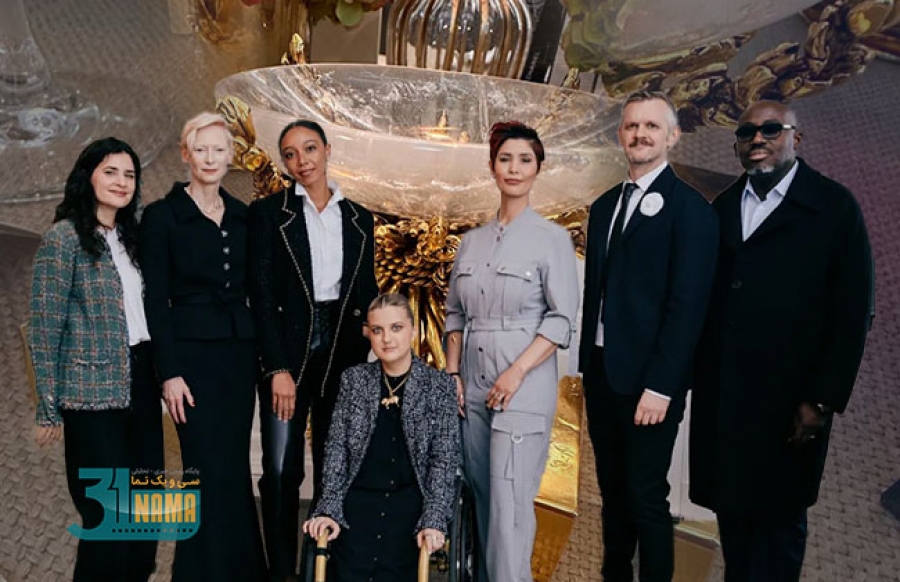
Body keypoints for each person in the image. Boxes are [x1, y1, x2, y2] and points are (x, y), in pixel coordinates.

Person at [690, 100, 873, 582]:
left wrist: (821, 400)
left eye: (772, 129)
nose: (758, 138)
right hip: (728, 397)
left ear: (796, 139)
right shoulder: (724, 206)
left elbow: (853, 313)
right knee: (733, 521)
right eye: (746, 132)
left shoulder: (834, 208)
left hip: (790, 404)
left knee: (777, 531)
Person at [578, 90, 719, 582]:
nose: (640, 134)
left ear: (673, 136)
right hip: (603, 372)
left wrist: (662, 385)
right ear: (621, 135)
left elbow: (688, 307)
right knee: (612, 491)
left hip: (650, 384)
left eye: (652, 126)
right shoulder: (604, 206)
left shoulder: (691, 210)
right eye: (632, 126)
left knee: (645, 496)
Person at [444, 121, 580, 582]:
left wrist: (516, 372)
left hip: (521, 384)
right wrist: (452, 374)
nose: (514, 168)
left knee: (510, 507)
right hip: (472, 384)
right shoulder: (471, 242)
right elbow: (455, 315)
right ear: (492, 167)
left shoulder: (552, 239)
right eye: (505, 159)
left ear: (538, 168)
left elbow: (561, 321)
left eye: (525, 160)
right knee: (483, 498)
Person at [247, 119, 379, 581]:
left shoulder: (359, 218)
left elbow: (366, 291)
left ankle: (322, 566)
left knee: (333, 466)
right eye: (290, 154)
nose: (301, 161)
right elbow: (261, 295)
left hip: (342, 353)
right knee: (281, 469)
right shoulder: (270, 214)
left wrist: (374, 353)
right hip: (289, 350)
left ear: (327, 150)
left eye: (309, 149)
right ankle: (281, 571)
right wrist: (276, 367)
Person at [28, 137, 164, 581]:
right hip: (90, 395)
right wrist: (48, 406)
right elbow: (44, 327)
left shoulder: (134, 238)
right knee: (108, 518)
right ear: (87, 177)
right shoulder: (64, 239)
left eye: (130, 175)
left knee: (146, 512)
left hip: (142, 383)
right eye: (111, 172)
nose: (122, 182)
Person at [139, 112, 266, 581]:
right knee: (203, 466)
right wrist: (168, 372)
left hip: (237, 357)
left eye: (219, 149)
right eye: (201, 149)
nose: (210, 158)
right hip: (190, 360)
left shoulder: (243, 216)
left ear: (231, 156)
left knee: (233, 466)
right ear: (185, 154)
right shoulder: (161, 216)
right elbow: (155, 300)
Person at [303, 293, 460, 581]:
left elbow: (444, 459)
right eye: (377, 330)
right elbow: (337, 449)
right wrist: (328, 508)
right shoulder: (354, 380)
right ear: (369, 334)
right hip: (358, 502)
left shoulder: (438, 386)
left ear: (412, 330)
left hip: (409, 506)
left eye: (396, 328)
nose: (387, 339)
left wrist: (434, 519)